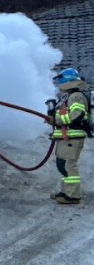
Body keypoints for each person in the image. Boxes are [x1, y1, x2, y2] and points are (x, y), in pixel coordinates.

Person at [48, 67, 90, 205]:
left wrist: (58, 121)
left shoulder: (75, 96)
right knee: (63, 165)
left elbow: (77, 113)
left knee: (68, 165)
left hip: (72, 137)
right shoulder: (67, 96)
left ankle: (73, 196)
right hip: (66, 137)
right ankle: (66, 192)